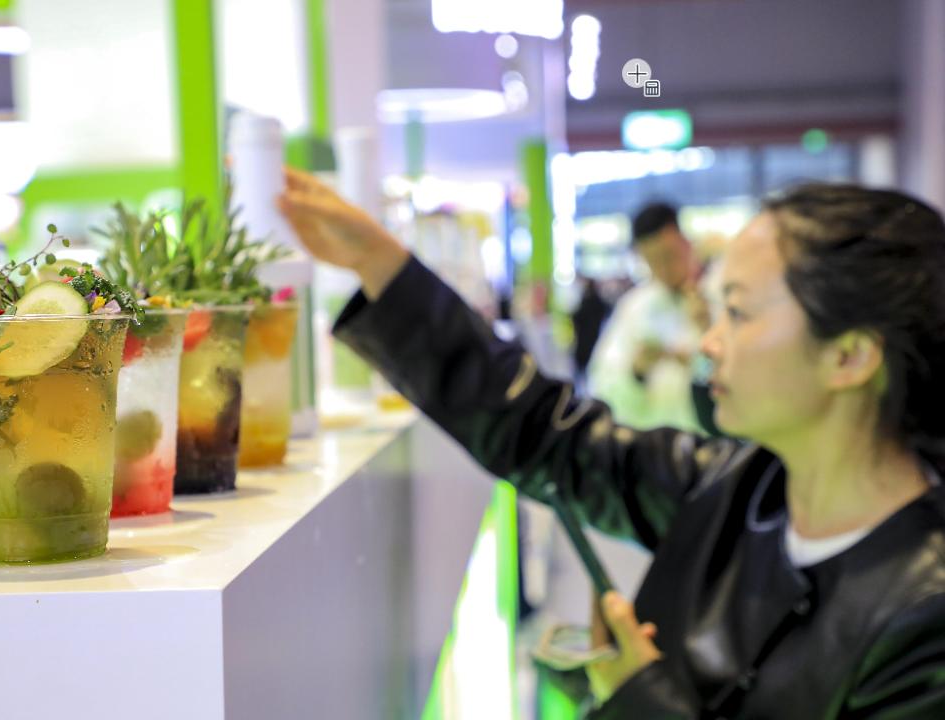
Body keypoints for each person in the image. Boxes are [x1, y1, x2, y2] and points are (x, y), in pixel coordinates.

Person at [279, 173, 945, 718]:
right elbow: (547, 433)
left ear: (849, 357)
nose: (710, 343)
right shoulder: (734, 488)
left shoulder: (925, 616)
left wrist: (638, 698)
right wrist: (381, 264)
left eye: (739, 313)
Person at [587, 202, 712, 432]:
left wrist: (707, 335)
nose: (664, 268)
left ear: (685, 242)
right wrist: (637, 372)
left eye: (669, 255)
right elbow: (601, 384)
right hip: (653, 441)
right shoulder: (634, 307)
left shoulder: (720, 296)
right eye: (652, 260)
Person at [570, 274, 611, 382]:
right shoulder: (599, 301)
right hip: (594, 337)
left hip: (584, 339)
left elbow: (577, 317)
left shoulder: (587, 300)